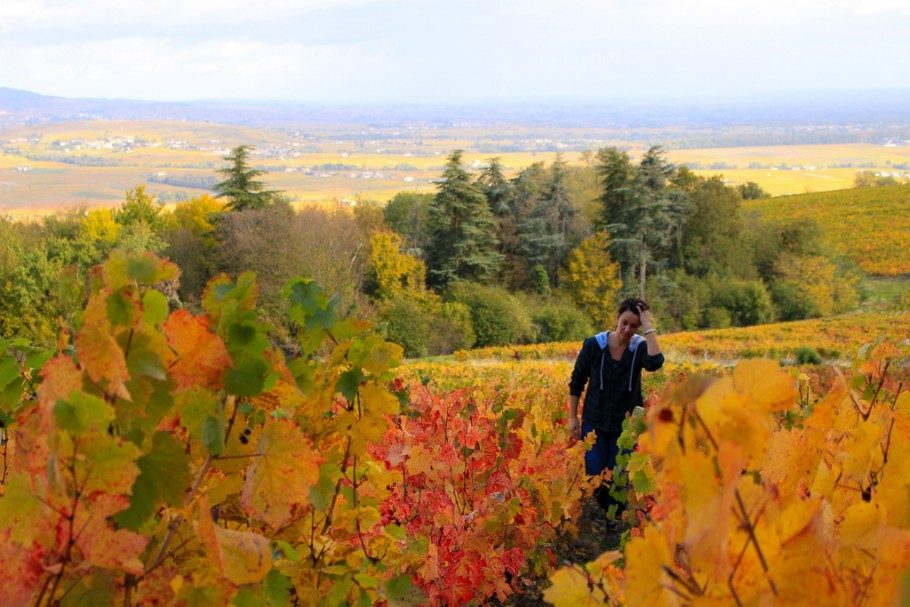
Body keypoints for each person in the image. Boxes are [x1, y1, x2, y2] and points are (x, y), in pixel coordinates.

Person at [567, 298, 664, 513]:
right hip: (594, 420)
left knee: (619, 474)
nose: (627, 329)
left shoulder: (639, 348)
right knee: (595, 472)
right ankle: (603, 517)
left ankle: (615, 520)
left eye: (634, 326)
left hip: (626, 426)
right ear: (617, 319)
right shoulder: (594, 345)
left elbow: (656, 363)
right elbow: (576, 381)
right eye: (624, 323)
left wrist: (648, 327)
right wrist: (573, 417)